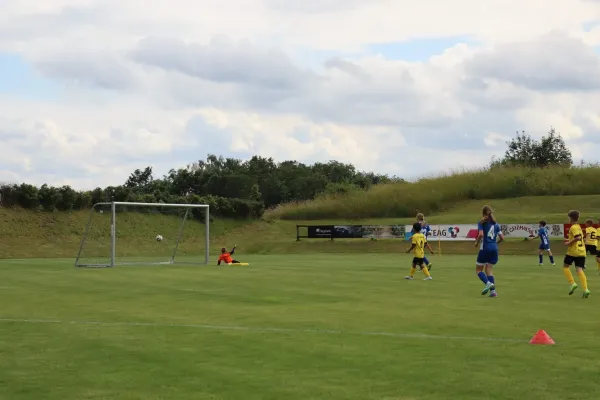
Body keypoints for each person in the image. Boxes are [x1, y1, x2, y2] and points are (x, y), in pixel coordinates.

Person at [474, 205, 503, 297]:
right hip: (494, 248)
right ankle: (493, 292)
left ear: (483, 213)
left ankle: (487, 283)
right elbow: (502, 238)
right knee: (489, 269)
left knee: (478, 270)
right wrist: (495, 244)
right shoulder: (496, 224)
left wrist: (476, 243)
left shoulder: (481, 223)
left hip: (485, 247)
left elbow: (481, 234)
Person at [563, 211, 590, 298]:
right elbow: (578, 237)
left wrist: (568, 243)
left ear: (570, 218)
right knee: (579, 270)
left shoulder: (573, 227)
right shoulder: (578, 226)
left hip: (573, 251)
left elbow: (577, 238)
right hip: (582, 251)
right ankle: (586, 289)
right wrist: (569, 241)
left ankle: (572, 283)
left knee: (565, 267)